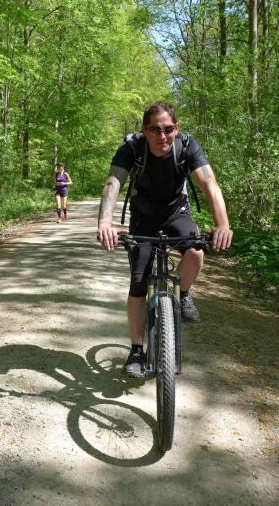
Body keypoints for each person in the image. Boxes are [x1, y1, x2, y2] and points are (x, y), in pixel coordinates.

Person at [96, 102, 233, 378]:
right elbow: (113, 182)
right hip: (143, 217)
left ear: (176, 128)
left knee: (196, 252)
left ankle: (183, 294)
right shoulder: (132, 149)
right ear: (144, 130)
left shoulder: (187, 146)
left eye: (168, 129)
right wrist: (104, 223)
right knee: (138, 282)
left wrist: (223, 225)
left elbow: (209, 183)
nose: (162, 136)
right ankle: (137, 351)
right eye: (155, 129)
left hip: (175, 214)